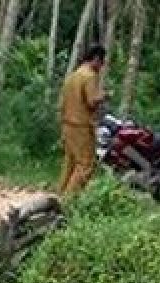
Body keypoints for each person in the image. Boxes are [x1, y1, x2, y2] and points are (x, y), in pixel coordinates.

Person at [58, 45, 107, 196]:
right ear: (96, 59)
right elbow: (92, 101)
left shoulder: (73, 76)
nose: (101, 66)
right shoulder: (89, 76)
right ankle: (68, 202)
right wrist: (104, 96)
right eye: (101, 62)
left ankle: (59, 195)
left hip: (67, 125)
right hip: (82, 126)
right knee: (85, 165)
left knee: (70, 163)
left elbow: (62, 103)